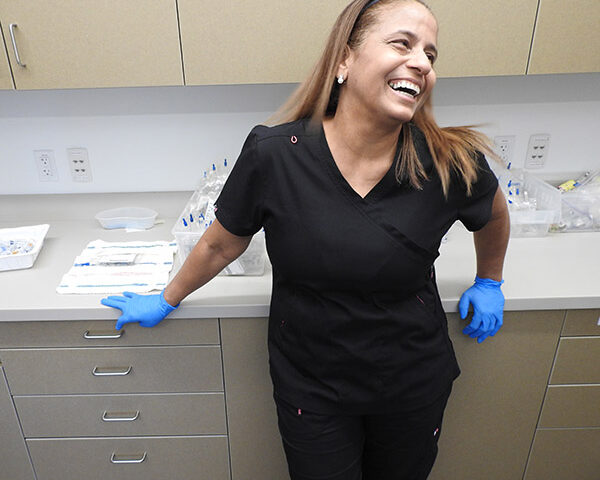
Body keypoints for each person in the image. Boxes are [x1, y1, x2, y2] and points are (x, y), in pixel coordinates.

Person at [101, 0, 510, 478]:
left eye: (431, 55)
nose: (421, 62)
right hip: (312, 386)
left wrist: (490, 280)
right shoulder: (275, 155)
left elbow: (494, 216)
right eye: (402, 43)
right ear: (345, 60)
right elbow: (221, 243)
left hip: (411, 379)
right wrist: (167, 298)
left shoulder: (448, 161)